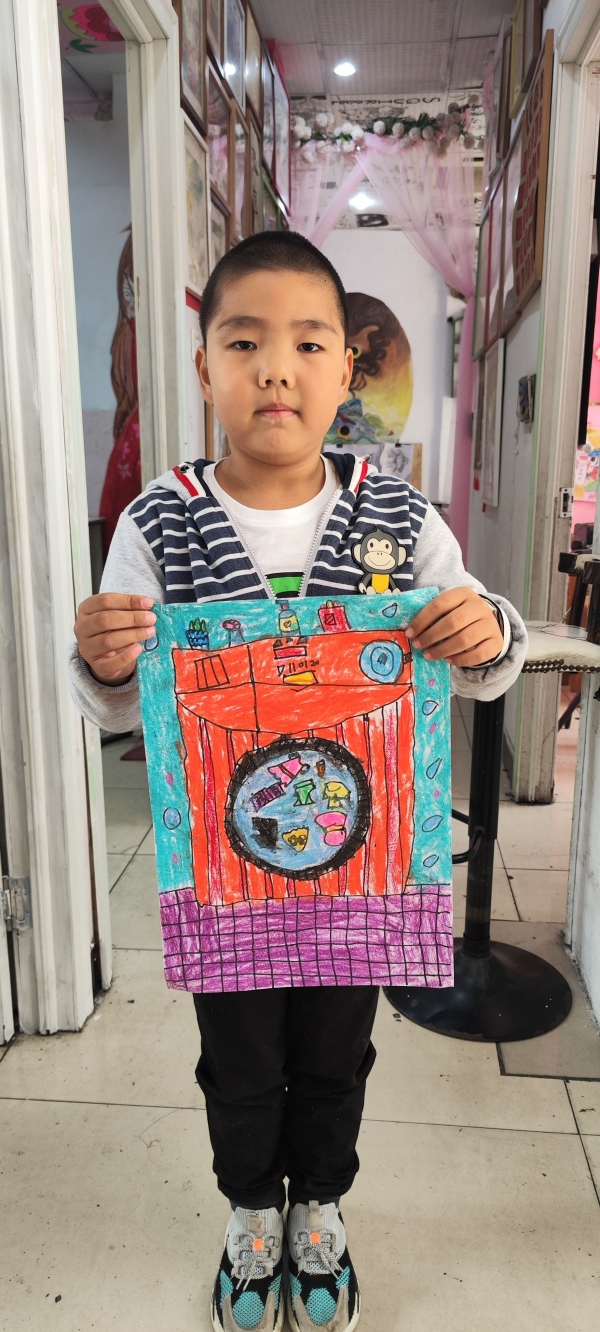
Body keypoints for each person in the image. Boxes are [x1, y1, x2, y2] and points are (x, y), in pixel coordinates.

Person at [70, 232, 527, 1332]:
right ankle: (249, 1209)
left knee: (335, 1051)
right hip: (227, 879)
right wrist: (105, 661)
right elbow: (122, 704)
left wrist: (486, 631)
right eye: (244, 342)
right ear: (204, 369)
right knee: (236, 1060)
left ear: (345, 370)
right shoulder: (158, 523)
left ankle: (318, 1203)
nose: (276, 367)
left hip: (358, 876)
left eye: (308, 343)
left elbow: (479, 655)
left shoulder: (400, 517)